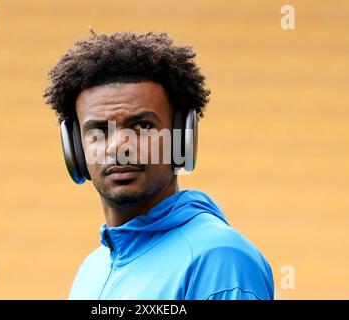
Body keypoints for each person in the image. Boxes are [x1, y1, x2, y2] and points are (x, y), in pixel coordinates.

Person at [43, 30, 274, 300]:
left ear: (181, 138)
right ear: (75, 148)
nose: (119, 146)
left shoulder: (219, 260)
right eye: (98, 131)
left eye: (142, 126)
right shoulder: (91, 271)